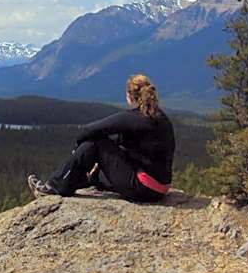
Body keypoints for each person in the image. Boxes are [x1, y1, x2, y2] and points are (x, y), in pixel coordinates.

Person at [27, 74, 175, 203]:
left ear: (130, 96)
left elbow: (89, 130)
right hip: (159, 188)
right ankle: (84, 180)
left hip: (143, 188)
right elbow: (121, 146)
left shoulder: (133, 118)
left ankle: (54, 186)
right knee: (102, 147)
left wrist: (78, 150)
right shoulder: (160, 118)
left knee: (96, 142)